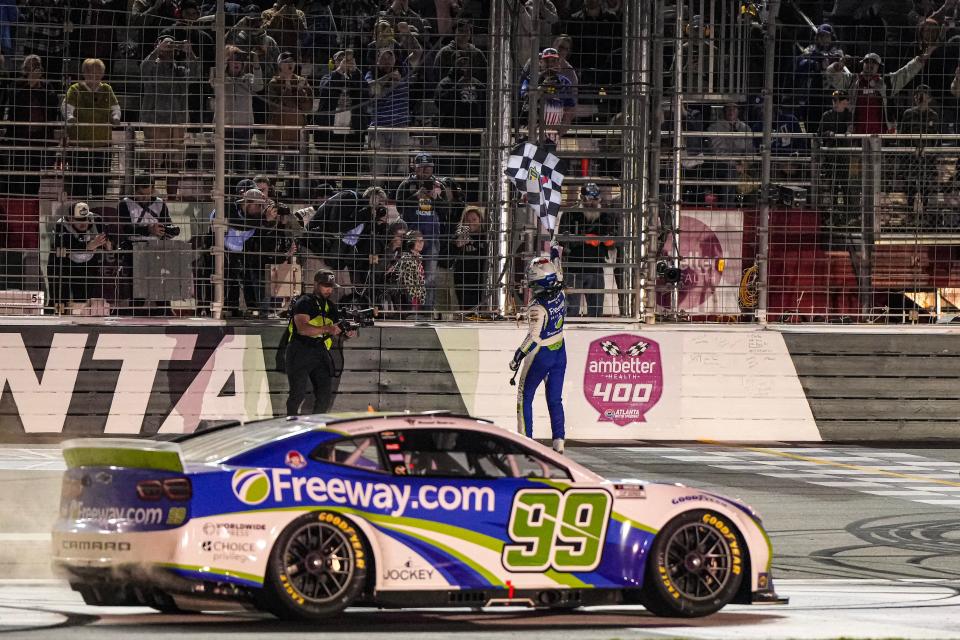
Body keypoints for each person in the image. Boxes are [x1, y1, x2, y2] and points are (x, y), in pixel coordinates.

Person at [510, 242, 566, 454]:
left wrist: (516, 357)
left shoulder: (537, 306)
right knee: (554, 398)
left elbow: (533, 338)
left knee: (525, 395)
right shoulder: (560, 285)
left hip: (540, 354)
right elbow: (558, 265)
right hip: (560, 350)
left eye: (533, 283)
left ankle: (526, 442)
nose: (530, 286)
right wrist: (554, 249)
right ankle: (559, 442)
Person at [285, 269, 354, 416]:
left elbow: (337, 330)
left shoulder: (331, 306)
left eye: (331, 286)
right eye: (325, 285)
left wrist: (347, 332)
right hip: (300, 350)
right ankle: (290, 426)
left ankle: (316, 427)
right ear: (316, 284)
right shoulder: (304, 301)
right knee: (297, 394)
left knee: (324, 395)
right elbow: (302, 329)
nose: (329, 289)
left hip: (320, 351)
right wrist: (328, 329)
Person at [140, 36, 199, 198]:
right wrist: (157, 51)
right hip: (155, 120)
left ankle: (172, 198)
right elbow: (143, 68)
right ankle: (147, 196)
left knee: (175, 164)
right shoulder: (152, 66)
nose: (170, 49)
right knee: (152, 162)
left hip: (177, 121)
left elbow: (195, 75)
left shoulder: (179, 70)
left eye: (173, 46)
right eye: (167, 45)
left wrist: (190, 54)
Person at [825, 50, 934, 135]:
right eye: (867, 62)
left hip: (881, 134)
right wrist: (837, 66)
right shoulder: (853, 81)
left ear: (879, 66)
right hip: (856, 133)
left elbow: (905, 73)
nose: (870, 65)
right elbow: (831, 76)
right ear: (862, 64)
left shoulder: (886, 82)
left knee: (878, 163)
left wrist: (918, 61)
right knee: (856, 163)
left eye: (874, 63)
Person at [63, 58, 121, 199]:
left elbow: (115, 108)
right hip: (79, 147)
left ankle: (98, 216)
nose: (93, 75)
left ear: (102, 74)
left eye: (97, 72)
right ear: (84, 73)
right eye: (89, 72)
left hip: (102, 147)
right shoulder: (75, 89)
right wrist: (70, 117)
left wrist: (115, 117)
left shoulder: (107, 89)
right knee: (79, 187)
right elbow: (66, 108)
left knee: (100, 187)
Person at [558, 182, 618, 317]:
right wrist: (584, 238)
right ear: (581, 197)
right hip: (573, 267)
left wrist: (609, 241)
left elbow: (614, 237)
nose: (592, 203)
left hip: (596, 267)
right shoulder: (570, 214)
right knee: (571, 310)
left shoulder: (605, 215)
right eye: (589, 200)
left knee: (596, 311)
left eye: (595, 200)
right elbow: (562, 238)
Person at [48, 202, 114, 307]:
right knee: (59, 301)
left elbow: (108, 241)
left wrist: (107, 245)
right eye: (78, 220)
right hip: (63, 264)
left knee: (83, 301)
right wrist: (88, 246)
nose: (83, 223)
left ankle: (82, 320)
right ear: (70, 218)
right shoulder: (61, 225)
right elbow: (63, 244)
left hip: (87, 265)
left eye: (85, 219)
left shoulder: (97, 220)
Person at [449, 206, 488, 311]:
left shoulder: (486, 237)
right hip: (462, 278)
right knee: (464, 307)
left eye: (474, 219)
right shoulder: (458, 236)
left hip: (479, 278)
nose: (471, 223)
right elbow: (448, 258)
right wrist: (457, 245)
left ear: (480, 220)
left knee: (478, 306)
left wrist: (474, 243)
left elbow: (486, 255)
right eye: (467, 220)